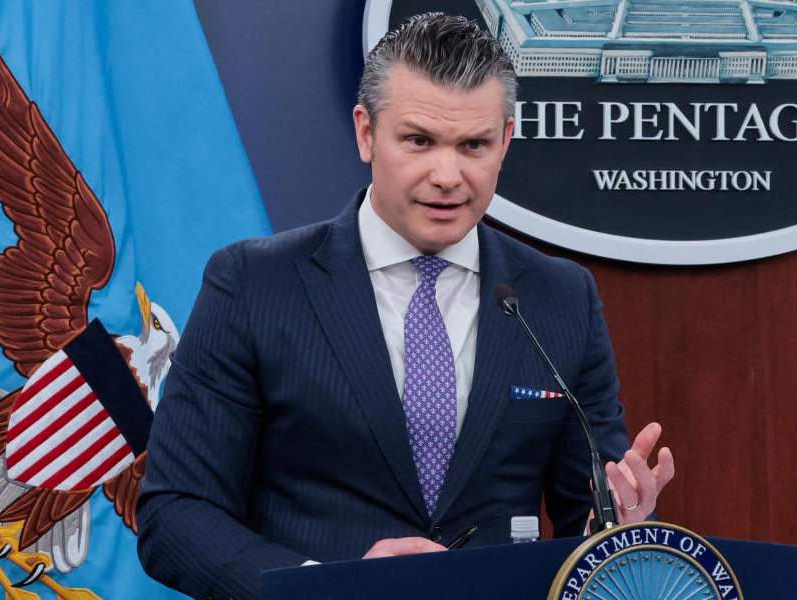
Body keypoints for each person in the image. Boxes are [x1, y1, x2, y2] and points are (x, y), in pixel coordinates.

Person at [136, 13, 674, 600]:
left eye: (474, 145)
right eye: (419, 141)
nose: (448, 175)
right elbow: (177, 515)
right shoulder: (253, 284)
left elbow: (586, 516)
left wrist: (615, 526)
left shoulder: (560, 297)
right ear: (367, 133)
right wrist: (329, 589)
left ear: (506, 142)